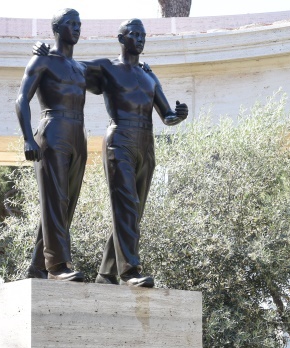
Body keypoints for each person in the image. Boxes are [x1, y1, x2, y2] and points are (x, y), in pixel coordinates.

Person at [36, 18, 188, 287]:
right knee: (125, 205)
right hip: (120, 138)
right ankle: (129, 271)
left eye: (143, 35)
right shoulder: (106, 68)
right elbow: (67, 68)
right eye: (134, 34)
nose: (140, 39)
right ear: (121, 39)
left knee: (134, 210)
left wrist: (178, 115)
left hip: (146, 141)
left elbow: (167, 115)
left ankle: (105, 273)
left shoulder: (149, 75)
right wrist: (45, 52)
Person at [15, 8, 87, 282]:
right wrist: (27, 138)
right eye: (71, 23)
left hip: (77, 134)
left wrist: (140, 68)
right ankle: (57, 266)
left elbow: (114, 74)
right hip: (53, 128)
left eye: (79, 24)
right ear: (57, 29)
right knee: (56, 199)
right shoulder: (43, 60)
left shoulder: (81, 68)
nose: (77, 28)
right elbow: (21, 98)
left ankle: (37, 265)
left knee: (65, 203)